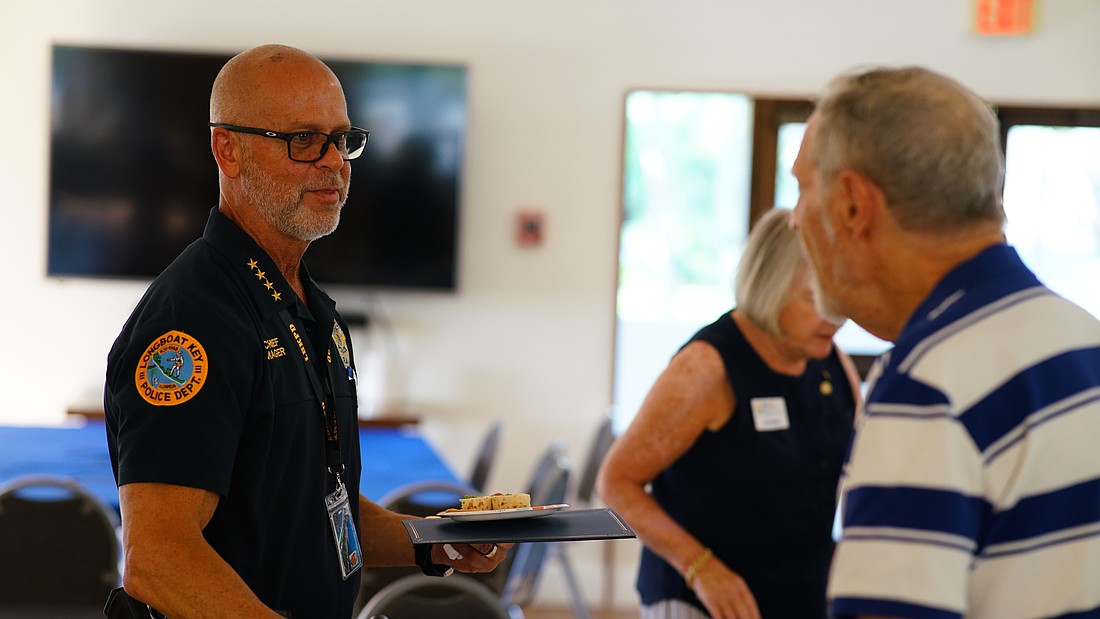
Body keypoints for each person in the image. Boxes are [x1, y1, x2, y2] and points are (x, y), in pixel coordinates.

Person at [103, 44, 509, 619]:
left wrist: (435, 541)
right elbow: (158, 556)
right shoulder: (194, 319)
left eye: (342, 139)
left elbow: (319, 506)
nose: (334, 162)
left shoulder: (311, 310)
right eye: (303, 140)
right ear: (228, 149)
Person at [790, 66, 1100, 619]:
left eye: (801, 189)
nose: (794, 221)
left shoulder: (927, 388)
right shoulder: (1081, 337)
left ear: (853, 205)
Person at [597, 207, 862, 619]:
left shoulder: (831, 361)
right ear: (769, 287)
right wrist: (701, 568)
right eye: (814, 299)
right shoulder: (707, 366)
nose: (834, 317)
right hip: (702, 600)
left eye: (838, 296)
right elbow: (616, 482)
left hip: (799, 596)